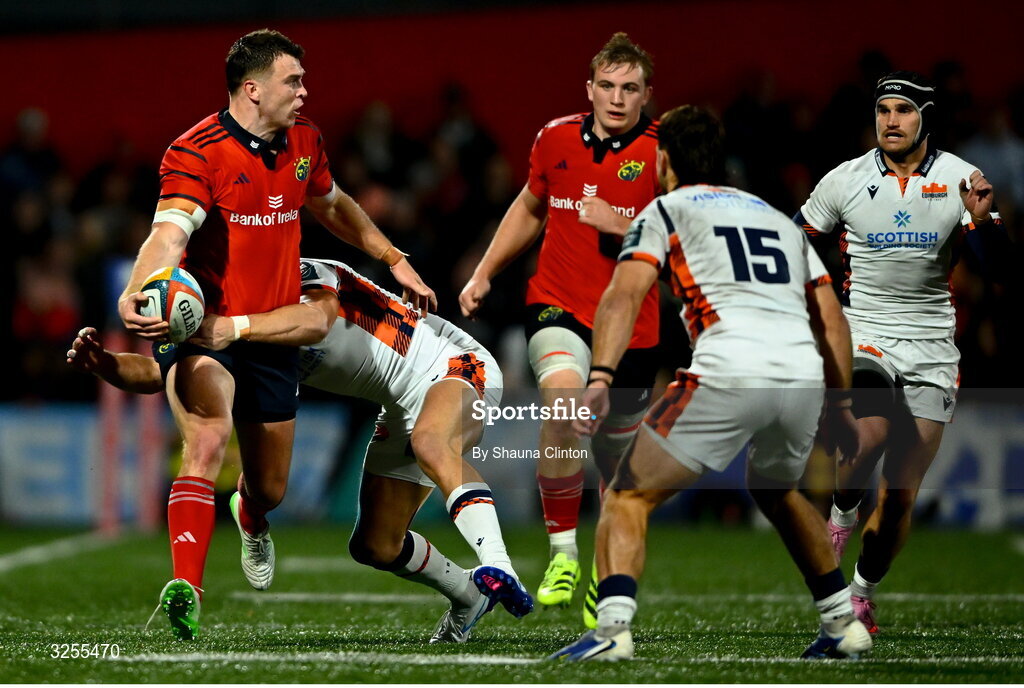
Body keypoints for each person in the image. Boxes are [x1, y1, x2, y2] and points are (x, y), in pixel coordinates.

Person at [116, 29, 436, 640]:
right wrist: (138, 289)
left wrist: (392, 256)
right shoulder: (196, 152)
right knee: (206, 442)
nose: (305, 91)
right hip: (205, 328)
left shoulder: (305, 142)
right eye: (294, 81)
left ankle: (251, 515)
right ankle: (187, 586)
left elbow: (334, 206)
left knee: (269, 487)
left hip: (273, 332)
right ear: (252, 89)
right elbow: (168, 236)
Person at [550, 105, 872, 662]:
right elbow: (832, 319)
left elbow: (624, 295)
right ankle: (843, 623)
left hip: (729, 369)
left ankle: (612, 632)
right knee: (777, 490)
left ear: (663, 158)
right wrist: (841, 405)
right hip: (799, 376)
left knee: (626, 493)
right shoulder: (775, 219)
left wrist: (600, 375)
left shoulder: (665, 209)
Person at [71, 257, 532, 643]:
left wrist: (233, 327)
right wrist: (107, 365)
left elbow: (317, 320)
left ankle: (498, 565)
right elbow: (159, 372)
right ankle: (469, 595)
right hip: (397, 404)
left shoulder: (300, 273)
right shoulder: (217, 316)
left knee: (432, 441)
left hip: (454, 364)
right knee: (375, 545)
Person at [458, 32, 661, 623]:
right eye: (607, 86)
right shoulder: (554, 137)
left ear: (647, 93)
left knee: (619, 467)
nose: (617, 98)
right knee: (563, 404)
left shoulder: (662, 151)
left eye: (630, 88)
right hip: (557, 305)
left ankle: (605, 572)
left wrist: (624, 224)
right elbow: (529, 204)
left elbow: (685, 236)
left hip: (631, 325)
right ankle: (562, 553)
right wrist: (486, 271)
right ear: (589, 88)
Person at [795, 71, 1007, 635]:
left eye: (903, 111)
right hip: (864, 334)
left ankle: (862, 591)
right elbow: (796, 243)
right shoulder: (845, 179)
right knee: (870, 435)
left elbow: (1004, 272)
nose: (890, 120)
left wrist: (983, 221)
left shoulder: (965, 179)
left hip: (933, 350)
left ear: (922, 118)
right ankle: (841, 514)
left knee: (898, 503)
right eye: (883, 110)